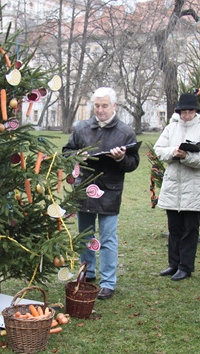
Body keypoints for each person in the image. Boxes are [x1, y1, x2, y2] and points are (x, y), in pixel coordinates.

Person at [63, 87, 140, 300]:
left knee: (107, 238)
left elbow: (133, 163)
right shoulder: (81, 128)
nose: (100, 110)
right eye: (96, 106)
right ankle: (87, 273)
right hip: (84, 189)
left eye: (104, 105)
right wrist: (77, 155)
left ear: (114, 106)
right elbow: (67, 152)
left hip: (110, 190)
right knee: (85, 235)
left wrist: (119, 159)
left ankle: (108, 283)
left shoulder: (125, 132)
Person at [154, 93, 200, 281]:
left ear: (196, 111)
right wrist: (174, 152)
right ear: (178, 112)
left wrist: (186, 157)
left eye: (190, 111)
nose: (187, 115)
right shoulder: (171, 128)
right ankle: (173, 263)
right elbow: (159, 149)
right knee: (174, 228)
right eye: (184, 111)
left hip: (194, 187)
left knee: (190, 229)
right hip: (173, 186)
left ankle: (186, 266)